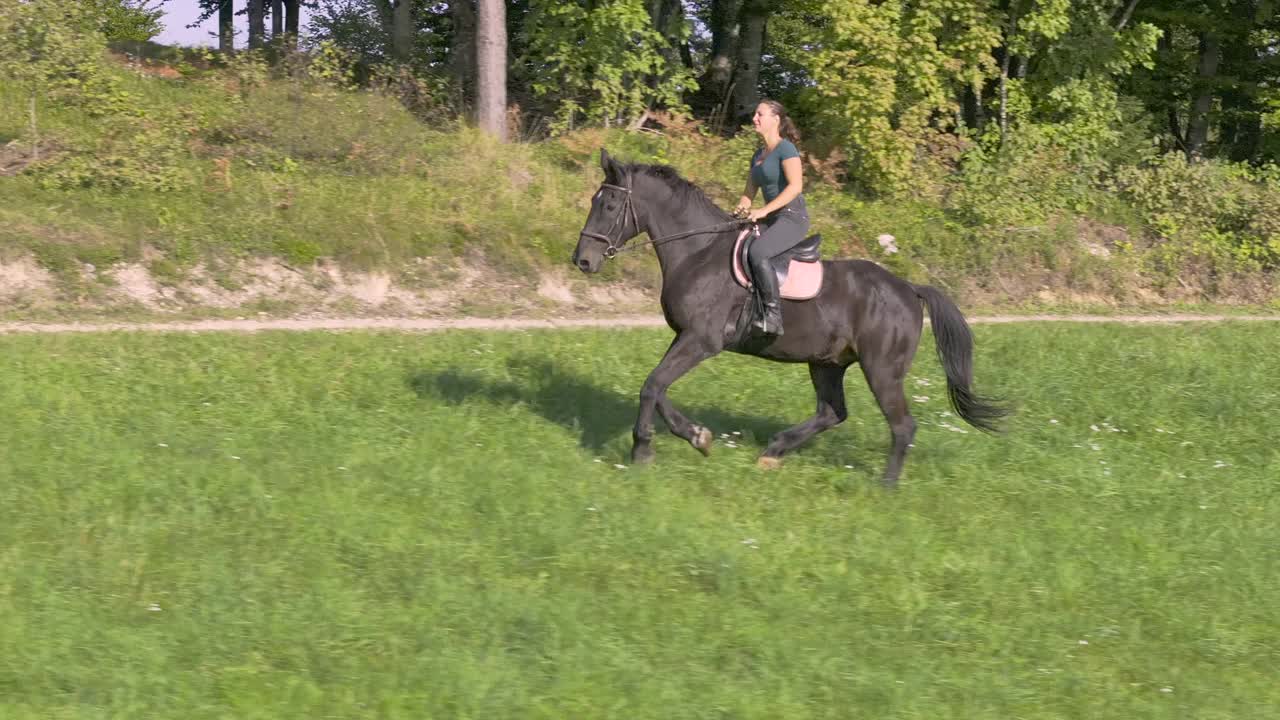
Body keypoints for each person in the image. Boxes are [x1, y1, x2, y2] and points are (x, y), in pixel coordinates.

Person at [734, 99, 809, 336]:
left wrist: (763, 211)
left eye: (760, 114)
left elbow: (795, 186)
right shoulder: (757, 155)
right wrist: (740, 210)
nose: (754, 118)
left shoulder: (786, 149)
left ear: (775, 119)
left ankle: (773, 316)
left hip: (792, 217)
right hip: (771, 218)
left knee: (758, 252)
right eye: (755, 114)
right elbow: (748, 194)